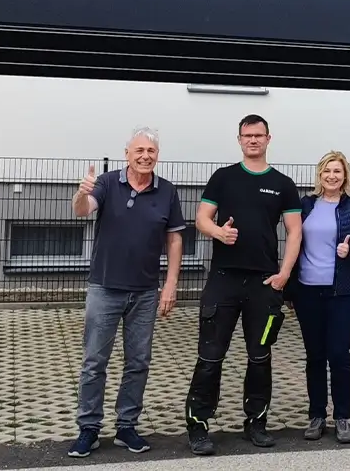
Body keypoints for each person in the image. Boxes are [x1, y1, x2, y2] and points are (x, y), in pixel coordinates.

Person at [184, 114, 304, 456]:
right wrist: (218, 232)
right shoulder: (223, 178)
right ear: (239, 140)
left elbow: (295, 231)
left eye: (258, 135)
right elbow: (201, 218)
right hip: (223, 281)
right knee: (210, 357)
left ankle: (256, 423)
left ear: (268, 139)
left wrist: (284, 274)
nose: (253, 140)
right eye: (247, 135)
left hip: (264, 284)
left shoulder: (283, 183)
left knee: (260, 356)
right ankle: (198, 425)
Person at [67, 127, 188, 459]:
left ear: (157, 155)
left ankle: (126, 426)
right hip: (105, 288)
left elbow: (174, 239)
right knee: (94, 362)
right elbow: (83, 209)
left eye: (151, 151)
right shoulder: (107, 183)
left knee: (138, 362)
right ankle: (89, 428)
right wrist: (81, 193)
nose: (145, 156)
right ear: (127, 154)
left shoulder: (167, 191)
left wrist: (171, 284)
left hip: (145, 292)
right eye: (139, 150)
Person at [284, 150, 350, 444]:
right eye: (327, 171)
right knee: (315, 355)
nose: (332, 176)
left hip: (342, 291)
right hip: (307, 291)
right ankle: (317, 415)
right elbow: (293, 242)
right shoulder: (306, 204)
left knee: (338, 353)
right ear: (319, 175)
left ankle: (342, 416)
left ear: (345, 176)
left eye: (337, 171)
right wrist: (289, 287)